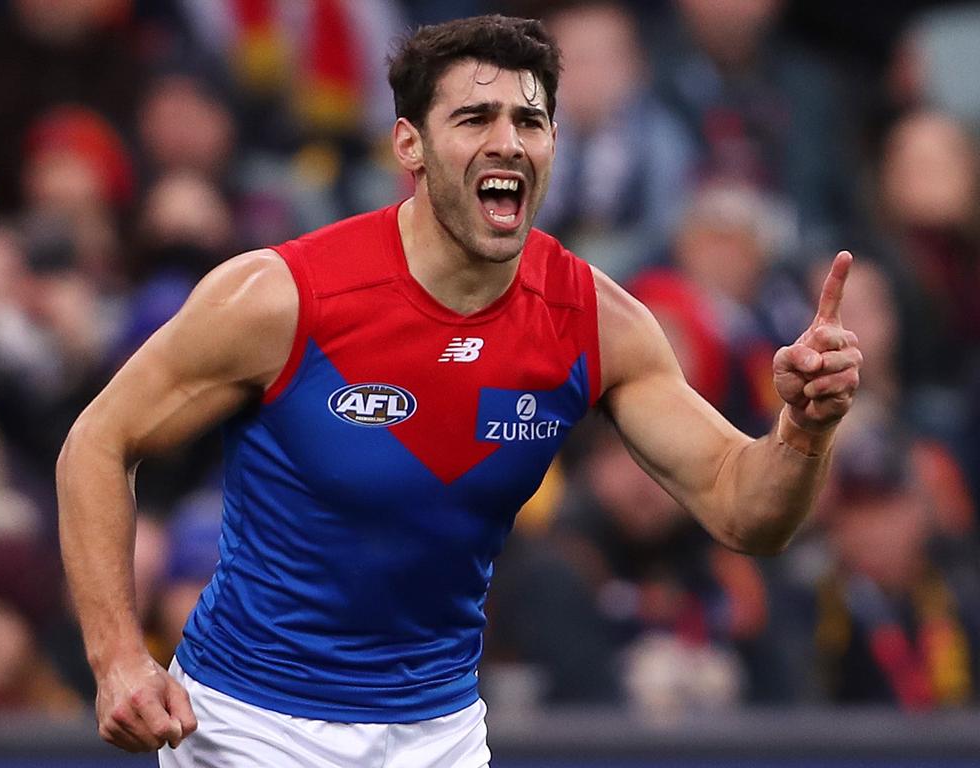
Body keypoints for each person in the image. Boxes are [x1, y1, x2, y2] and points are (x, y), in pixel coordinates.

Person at [56, 14, 862, 767]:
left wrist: (805, 426)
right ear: (409, 145)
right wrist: (118, 656)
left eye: (531, 121)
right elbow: (98, 439)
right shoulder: (280, 297)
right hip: (247, 724)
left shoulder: (595, 321)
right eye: (475, 119)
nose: (507, 142)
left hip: (439, 735)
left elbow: (745, 510)